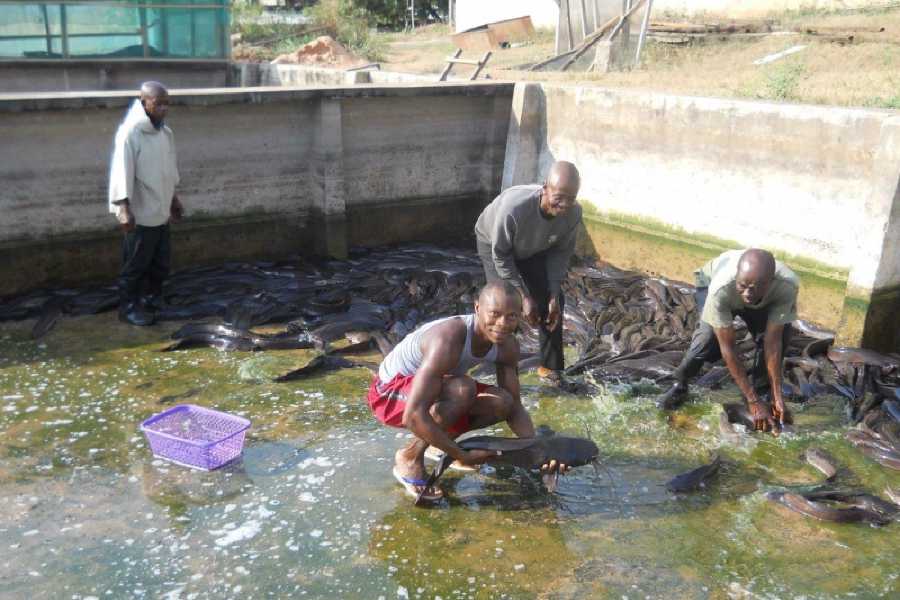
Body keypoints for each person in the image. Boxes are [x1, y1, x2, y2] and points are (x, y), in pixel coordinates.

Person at [367, 281, 567, 502]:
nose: (502, 324)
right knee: (463, 389)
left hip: (433, 388)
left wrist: (539, 452)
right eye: (494, 314)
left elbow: (515, 408)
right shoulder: (448, 338)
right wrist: (462, 455)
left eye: (511, 316)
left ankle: (438, 444)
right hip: (388, 393)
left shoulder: (508, 346)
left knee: (502, 402)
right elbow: (413, 415)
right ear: (477, 308)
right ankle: (410, 457)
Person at [657, 249, 799, 432]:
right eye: (743, 285)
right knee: (707, 340)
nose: (747, 293)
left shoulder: (787, 286)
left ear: (769, 283)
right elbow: (729, 349)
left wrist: (777, 395)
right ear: (737, 278)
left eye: (754, 288)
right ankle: (680, 382)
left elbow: (773, 343)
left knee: (778, 336)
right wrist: (752, 401)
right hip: (714, 286)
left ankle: (761, 390)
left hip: (763, 299)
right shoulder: (720, 288)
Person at [474, 161, 582, 387]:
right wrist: (524, 297)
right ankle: (495, 362)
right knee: (504, 304)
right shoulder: (514, 209)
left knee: (554, 302)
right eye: (559, 197)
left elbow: (560, 254)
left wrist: (553, 295)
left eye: (571, 199)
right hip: (495, 244)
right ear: (545, 188)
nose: (564, 205)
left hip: (534, 247)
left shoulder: (574, 213)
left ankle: (550, 367)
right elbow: (501, 255)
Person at [108, 81, 183, 326]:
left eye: (166, 104)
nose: (164, 108)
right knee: (135, 264)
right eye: (158, 103)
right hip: (140, 212)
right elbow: (121, 172)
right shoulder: (131, 133)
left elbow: (169, 170)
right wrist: (123, 208)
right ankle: (128, 307)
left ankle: (153, 297)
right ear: (143, 103)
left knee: (160, 262)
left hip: (160, 209)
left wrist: (173, 199)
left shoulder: (165, 133)